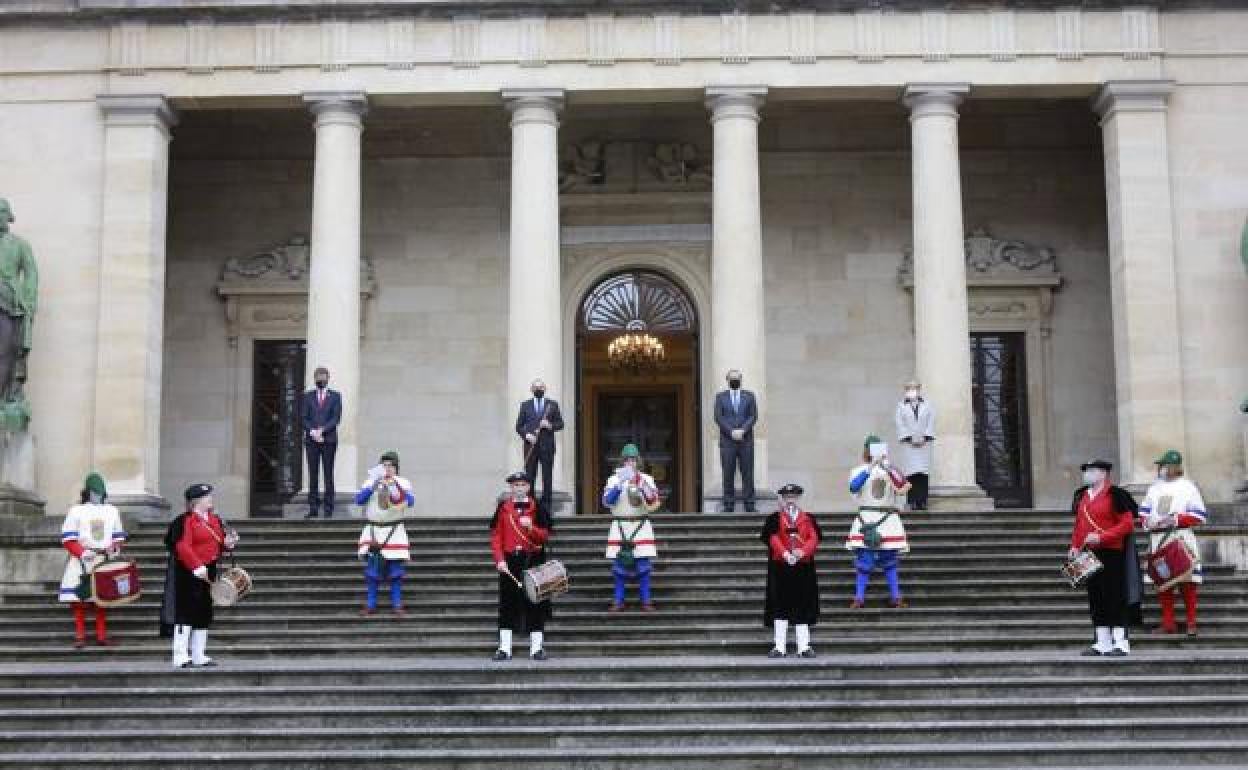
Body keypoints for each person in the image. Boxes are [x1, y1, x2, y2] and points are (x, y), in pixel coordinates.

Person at [1068, 459, 1140, 656]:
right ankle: (1102, 641)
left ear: (1103, 474)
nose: (1087, 474)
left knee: (1114, 596)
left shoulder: (1116, 495)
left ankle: (1120, 642)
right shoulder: (1083, 495)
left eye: (1091, 471)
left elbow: (1127, 525)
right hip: (1088, 553)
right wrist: (1074, 546)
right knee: (1096, 597)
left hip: (1112, 552)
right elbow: (1079, 524)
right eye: (1086, 471)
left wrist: (1102, 537)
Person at [162, 483, 239, 668]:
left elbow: (219, 543)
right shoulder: (184, 521)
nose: (211, 499)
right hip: (188, 572)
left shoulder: (214, 519)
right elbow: (182, 546)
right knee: (185, 612)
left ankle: (198, 654)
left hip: (209, 570)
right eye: (207, 497)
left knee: (203, 611)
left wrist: (229, 543)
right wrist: (196, 566)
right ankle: (180, 656)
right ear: (196, 501)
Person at [1139, 449, 1207, 636]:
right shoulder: (1154, 488)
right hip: (1158, 539)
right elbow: (1143, 513)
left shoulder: (1188, 487)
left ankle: (1191, 622)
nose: (1161, 469)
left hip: (1180, 537)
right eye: (1161, 466)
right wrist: (1147, 522)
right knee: (1163, 580)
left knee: (1187, 580)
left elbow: (1199, 515)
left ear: (1174, 467)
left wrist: (1175, 520)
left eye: (1164, 465)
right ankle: (1168, 623)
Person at [489, 471, 553, 661]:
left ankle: (536, 648)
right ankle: (505, 648)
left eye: (522, 485)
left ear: (528, 487)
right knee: (507, 605)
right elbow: (496, 536)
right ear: (511, 488)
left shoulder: (538, 507)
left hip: (532, 560)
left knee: (535, 603)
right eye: (515, 485)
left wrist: (531, 528)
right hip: (509, 562)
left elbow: (545, 536)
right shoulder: (503, 508)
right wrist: (499, 560)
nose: (519, 488)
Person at [58, 472, 126, 648]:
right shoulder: (76, 511)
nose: (97, 496)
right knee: (79, 599)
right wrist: (81, 552)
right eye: (94, 492)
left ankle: (101, 635)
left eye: (100, 492)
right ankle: (80, 636)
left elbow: (118, 535)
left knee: (102, 599)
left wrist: (114, 546)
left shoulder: (112, 511)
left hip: (103, 559)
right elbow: (68, 538)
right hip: (82, 561)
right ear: (87, 492)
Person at [846, 435, 911, 609]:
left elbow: (902, 485)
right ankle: (859, 598)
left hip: (887, 520)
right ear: (867, 451)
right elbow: (854, 487)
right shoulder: (858, 470)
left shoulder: (891, 470)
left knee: (890, 561)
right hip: (867, 518)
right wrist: (870, 468)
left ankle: (896, 597)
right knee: (864, 562)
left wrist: (887, 467)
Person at [761, 483, 822, 658]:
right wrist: (786, 554)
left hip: (803, 567)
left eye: (793, 497)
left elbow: (814, 538)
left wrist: (802, 552)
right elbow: (772, 538)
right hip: (781, 567)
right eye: (787, 497)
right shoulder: (775, 518)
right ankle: (779, 646)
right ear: (782, 499)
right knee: (780, 606)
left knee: (802, 606)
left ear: (798, 498)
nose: (790, 500)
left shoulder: (808, 518)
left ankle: (804, 647)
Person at [355, 451, 414, 617]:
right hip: (374, 531)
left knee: (395, 572)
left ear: (396, 468)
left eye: (390, 465)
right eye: (384, 465)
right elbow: (359, 500)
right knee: (372, 572)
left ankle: (397, 604)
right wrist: (373, 485)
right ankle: (371, 604)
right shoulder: (371, 482)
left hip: (394, 531)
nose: (387, 468)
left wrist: (394, 486)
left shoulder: (403, 483)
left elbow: (409, 502)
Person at [602, 444, 660, 612]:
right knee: (619, 568)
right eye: (627, 460)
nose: (630, 463)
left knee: (644, 567)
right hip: (620, 525)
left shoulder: (646, 479)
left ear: (637, 461)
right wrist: (619, 485)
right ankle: (618, 601)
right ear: (622, 461)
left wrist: (641, 483)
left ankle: (646, 600)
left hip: (641, 525)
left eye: (633, 460)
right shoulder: (613, 479)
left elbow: (653, 502)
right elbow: (607, 502)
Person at [514, 379, 564, 514]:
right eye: (536, 387)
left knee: (547, 476)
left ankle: (547, 505)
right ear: (531, 389)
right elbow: (518, 426)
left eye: (541, 387)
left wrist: (550, 426)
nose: (538, 389)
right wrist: (527, 435)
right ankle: (530, 504)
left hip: (547, 446)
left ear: (545, 388)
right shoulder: (525, 405)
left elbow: (560, 424)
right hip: (531, 446)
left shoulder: (552, 404)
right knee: (530, 476)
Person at [714, 369, 758, 512]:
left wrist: (743, 430)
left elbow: (753, 416)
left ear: (741, 379)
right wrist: (731, 431)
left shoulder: (749, 396)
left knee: (747, 473)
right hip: (727, 442)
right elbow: (718, 417)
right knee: (728, 473)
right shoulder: (720, 397)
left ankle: (750, 504)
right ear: (727, 380)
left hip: (746, 441)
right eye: (732, 378)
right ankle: (728, 505)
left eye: (737, 378)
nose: (735, 380)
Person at [302, 366, 341, 518]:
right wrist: (312, 431)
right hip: (312, 441)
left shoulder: (336, 396)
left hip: (329, 440)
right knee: (313, 474)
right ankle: (313, 508)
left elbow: (336, 418)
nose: (321, 380)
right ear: (314, 379)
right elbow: (303, 417)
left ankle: (329, 508)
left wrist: (322, 431)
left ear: (328, 378)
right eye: (318, 377)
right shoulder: (307, 396)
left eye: (323, 377)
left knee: (328, 473)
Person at [893, 379, 934, 510]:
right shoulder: (901, 406)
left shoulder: (927, 405)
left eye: (915, 388)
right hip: (909, 445)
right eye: (910, 388)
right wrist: (909, 438)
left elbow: (931, 421)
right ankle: (912, 500)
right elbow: (899, 423)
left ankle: (922, 500)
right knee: (911, 474)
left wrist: (925, 437)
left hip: (924, 444)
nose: (912, 391)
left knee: (922, 473)